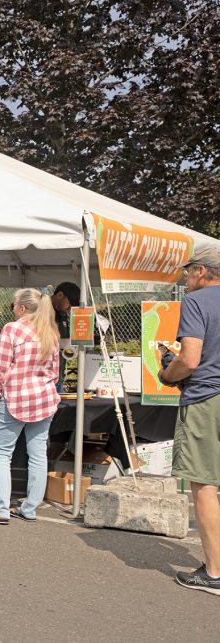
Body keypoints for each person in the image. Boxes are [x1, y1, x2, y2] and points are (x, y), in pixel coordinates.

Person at [159, 246, 220, 595]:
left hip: (206, 398)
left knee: (204, 486)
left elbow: (191, 360)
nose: (185, 278)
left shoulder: (196, 303)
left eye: (187, 272)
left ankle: (214, 573)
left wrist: (169, 372)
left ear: (200, 271)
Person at [0, 288, 60, 524]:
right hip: (44, 399)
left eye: (14, 304)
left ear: (22, 308)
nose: (12, 308)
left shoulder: (12, 329)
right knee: (38, 454)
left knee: (1, 454)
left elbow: (1, 370)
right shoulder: (50, 332)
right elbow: (54, 372)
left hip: (15, 399)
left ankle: (0, 509)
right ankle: (30, 508)